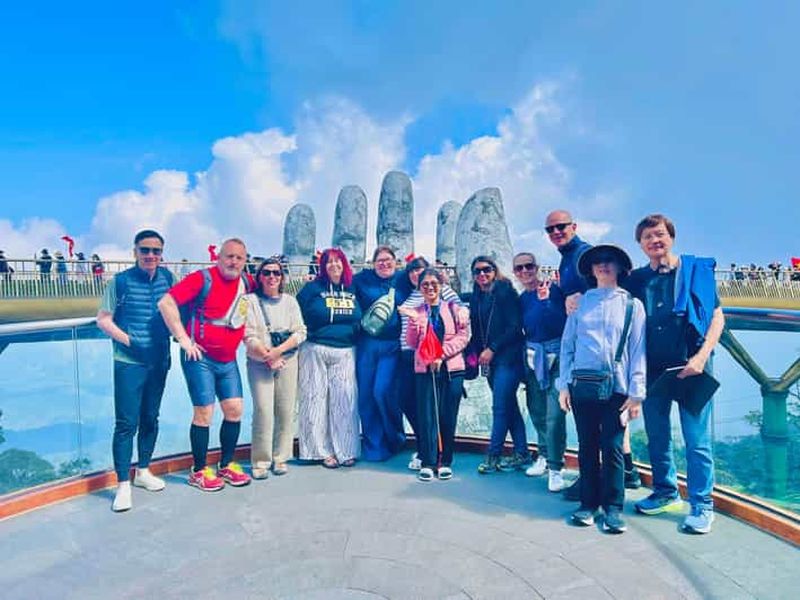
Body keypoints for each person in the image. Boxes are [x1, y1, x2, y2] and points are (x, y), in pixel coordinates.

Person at [626, 214, 725, 534]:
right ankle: (666, 492)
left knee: (696, 441)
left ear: (671, 236)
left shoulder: (695, 271)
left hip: (692, 367)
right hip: (654, 369)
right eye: (647, 238)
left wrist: (700, 357)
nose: (655, 241)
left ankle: (702, 504)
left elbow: (717, 318)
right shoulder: (638, 278)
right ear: (640, 245)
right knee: (657, 435)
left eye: (659, 235)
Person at [547, 209, 642, 496]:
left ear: (573, 226)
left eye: (561, 227)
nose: (556, 232)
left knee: (606, 430)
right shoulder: (566, 258)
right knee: (593, 432)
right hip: (584, 360)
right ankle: (619, 474)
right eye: (550, 229)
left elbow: (611, 298)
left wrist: (637, 390)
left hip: (605, 360)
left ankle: (612, 481)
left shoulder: (583, 253)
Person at [557, 244, 646, 533]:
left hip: (617, 389)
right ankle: (587, 504)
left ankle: (613, 507)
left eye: (610, 261)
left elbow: (638, 350)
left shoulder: (632, 305)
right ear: (590, 270)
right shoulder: (580, 304)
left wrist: (637, 394)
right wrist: (563, 386)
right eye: (597, 262)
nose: (603, 265)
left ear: (620, 267)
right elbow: (567, 346)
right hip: (582, 385)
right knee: (586, 446)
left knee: (613, 447)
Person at [158, 238, 255, 491]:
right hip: (199, 358)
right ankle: (199, 470)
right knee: (204, 413)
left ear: (245, 261)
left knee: (234, 410)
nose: (233, 261)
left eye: (239, 258)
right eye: (229, 256)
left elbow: (268, 292)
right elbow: (166, 303)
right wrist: (183, 340)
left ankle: (226, 464)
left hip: (228, 358)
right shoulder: (202, 279)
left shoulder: (246, 283)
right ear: (219, 257)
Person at [96, 230, 175, 512]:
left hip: (160, 359)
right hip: (128, 362)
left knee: (151, 418)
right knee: (126, 423)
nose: (150, 255)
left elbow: (175, 313)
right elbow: (103, 320)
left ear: (161, 254)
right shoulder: (120, 281)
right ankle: (122, 485)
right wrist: (130, 341)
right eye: (145, 250)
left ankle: (143, 472)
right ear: (135, 252)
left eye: (156, 251)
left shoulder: (168, 279)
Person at [295, 248, 362, 468]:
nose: (333, 265)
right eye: (328, 262)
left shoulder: (353, 288)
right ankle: (318, 451)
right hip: (314, 348)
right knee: (314, 399)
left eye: (337, 261)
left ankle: (345, 450)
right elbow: (296, 313)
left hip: (345, 350)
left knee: (345, 400)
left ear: (344, 264)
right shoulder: (312, 288)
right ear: (322, 266)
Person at [244, 257, 307, 479]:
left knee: (286, 410)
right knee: (263, 410)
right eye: (267, 273)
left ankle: (281, 457)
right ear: (259, 276)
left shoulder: (290, 302)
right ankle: (260, 460)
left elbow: (300, 331)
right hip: (259, 363)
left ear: (282, 278)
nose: (272, 277)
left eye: (276, 273)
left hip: (287, 361)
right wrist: (267, 356)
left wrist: (278, 352)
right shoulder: (248, 301)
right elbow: (247, 334)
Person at [405, 268, 470, 481]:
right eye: (425, 285)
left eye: (434, 283)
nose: (430, 287)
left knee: (447, 415)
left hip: (451, 369)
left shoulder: (453, 308)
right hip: (425, 369)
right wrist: (414, 323)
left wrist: (441, 355)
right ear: (420, 288)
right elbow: (412, 342)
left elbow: (463, 337)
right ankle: (429, 461)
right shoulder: (417, 311)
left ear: (441, 285)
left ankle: (445, 461)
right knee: (427, 415)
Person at [513, 252, 568, 492]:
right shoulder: (522, 298)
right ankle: (544, 455)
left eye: (529, 266)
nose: (525, 271)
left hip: (557, 356)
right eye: (519, 268)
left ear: (537, 267)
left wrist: (546, 301)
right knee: (536, 409)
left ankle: (556, 467)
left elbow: (561, 323)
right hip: (533, 357)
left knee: (555, 413)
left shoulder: (554, 291)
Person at [470, 255, 529, 474]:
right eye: (477, 271)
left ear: (495, 271)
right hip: (490, 362)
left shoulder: (505, 292)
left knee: (500, 407)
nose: (482, 274)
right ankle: (522, 452)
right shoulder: (477, 296)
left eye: (487, 270)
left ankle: (493, 456)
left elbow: (515, 327)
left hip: (508, 359)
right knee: (509, 406)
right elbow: (477, 330)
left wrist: (492, 348)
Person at [353, 246, 411, 461]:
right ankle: (374, 445)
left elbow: (427, 279)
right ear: (373, 263)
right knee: (366, 396)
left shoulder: (404, 279)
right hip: (367, 344)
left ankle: (395, 437)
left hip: (393, 346)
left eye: (388, 260)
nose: (384, 264)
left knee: (383, 391)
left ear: (396, 262)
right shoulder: (362, 280)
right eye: (380, 261)